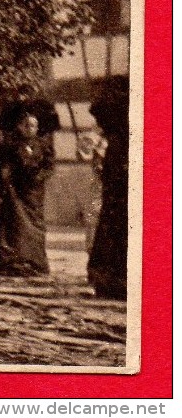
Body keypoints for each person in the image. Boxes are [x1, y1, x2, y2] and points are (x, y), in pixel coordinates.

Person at [0, 109, 54, 276]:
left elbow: (49, 167)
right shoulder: (10, 145)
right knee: (14, 226)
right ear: (19, 126)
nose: (29, 128)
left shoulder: (43, 145)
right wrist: (4, 182)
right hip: (16, 190)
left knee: (34, 227)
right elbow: (0, 166)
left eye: (33, 125)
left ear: (37, 128)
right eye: (26, 125)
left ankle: (33, 262)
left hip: (34, 192)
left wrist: (38, 176)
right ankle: (12, 262)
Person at [87, 78, 129, 300]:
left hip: (117, 181)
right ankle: (114, 280)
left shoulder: (115, 135)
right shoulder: (119, 136)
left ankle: (111, 279)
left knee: (114, 225)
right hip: (119, 180)